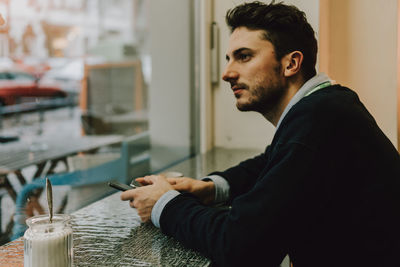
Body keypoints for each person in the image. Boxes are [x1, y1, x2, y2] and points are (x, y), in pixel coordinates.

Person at [121, 1, 400, 266]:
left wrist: (164, 205)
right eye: (229, 58)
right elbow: (272, 161)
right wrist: (209, 188)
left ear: (291, 64)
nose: (227, 72)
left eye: (244, 57)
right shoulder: (325, 107)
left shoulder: (320, 120)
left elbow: (241, 247)